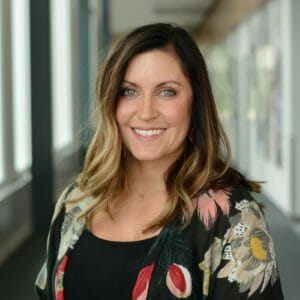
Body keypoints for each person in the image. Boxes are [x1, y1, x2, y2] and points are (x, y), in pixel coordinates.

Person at [35, 23, 284, 300]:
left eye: (166, 92)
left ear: (195, 102)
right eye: (129, 91)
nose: (146, 112)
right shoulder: (78, 200)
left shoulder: (233, 216)